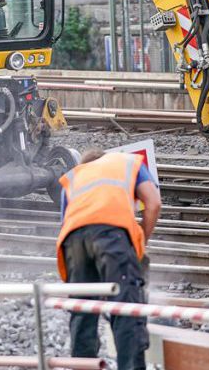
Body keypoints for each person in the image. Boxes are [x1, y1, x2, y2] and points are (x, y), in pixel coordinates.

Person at [56, 148, 162, 370]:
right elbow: (153, 203)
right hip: (111, 235)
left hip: (73, 241)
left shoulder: (74, 176)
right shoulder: (127, 163)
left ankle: (83, 366)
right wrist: (141, 241)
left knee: (83, 311)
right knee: (126, 310)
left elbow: (66, 223)